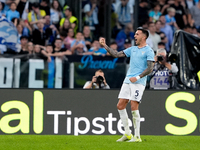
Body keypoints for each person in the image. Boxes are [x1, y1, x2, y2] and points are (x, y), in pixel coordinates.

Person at [99, 27, 155, 142]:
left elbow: (150, 68)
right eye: (135, 34)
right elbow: (115, 54)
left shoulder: (149, 50)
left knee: (134, 106)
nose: (135, 36)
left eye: (137, 34)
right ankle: (127, 133)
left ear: (144, 37)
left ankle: (137, 136)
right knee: (120, 105)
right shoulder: (132, 49)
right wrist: (105, 45)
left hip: (139, 82)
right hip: (128, 80)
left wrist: (138, 77)